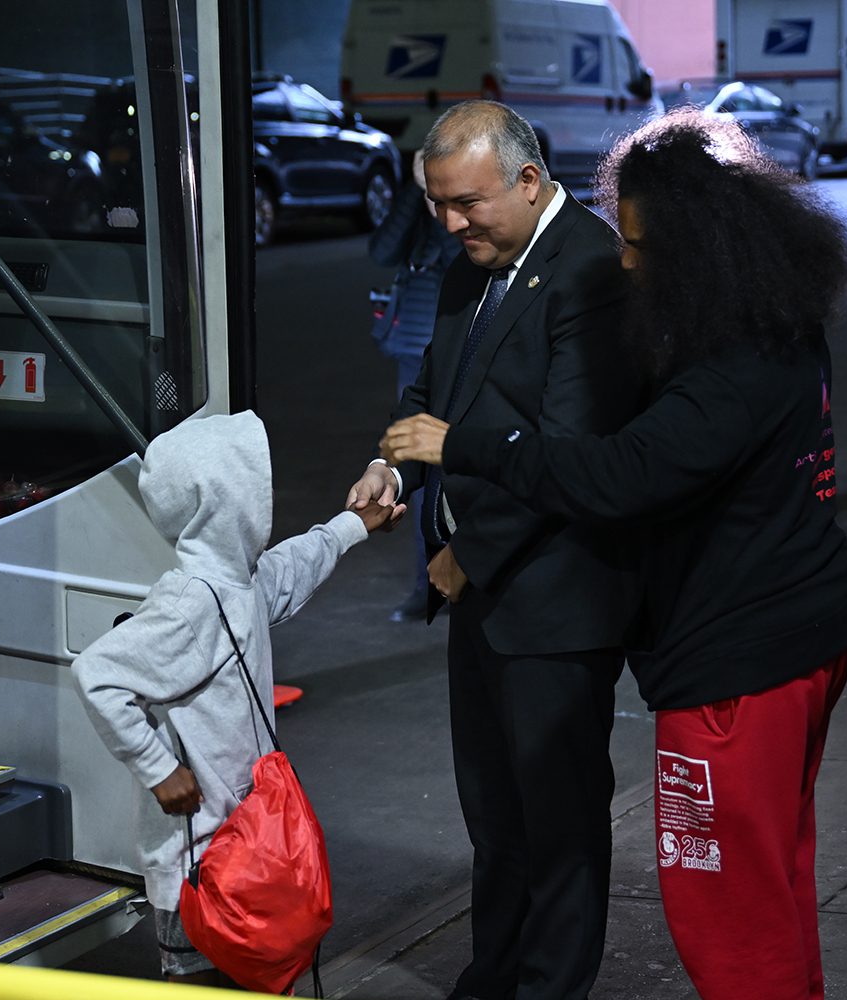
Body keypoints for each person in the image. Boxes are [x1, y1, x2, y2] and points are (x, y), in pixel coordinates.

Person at [380, 111, 847, 1000]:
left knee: (724, 907)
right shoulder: (766, 325)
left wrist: (471, 451)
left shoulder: (733, 363)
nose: (626, 261)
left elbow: (617, 470)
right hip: (785, 641)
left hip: (738, 664)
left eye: (640, 245)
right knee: (769, 888)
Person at [344, 100, 641, 1000]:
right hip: (478, 596)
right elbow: (435, 388)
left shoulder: (593, 271)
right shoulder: (474, 261)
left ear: (527, 178)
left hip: (554, 598)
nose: (448, 223)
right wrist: (388, 466)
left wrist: (468, 558)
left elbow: (575, 449)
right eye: (437, 203)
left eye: (466, 203)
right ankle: (494, 976)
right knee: (493, 813)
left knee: (558, 822)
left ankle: (549, 985)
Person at [73, 412, 402, 987]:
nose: (265, 497)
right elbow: (98, 672)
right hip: (199, 867)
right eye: (256, 483)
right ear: (227, 498)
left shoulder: (241, 584)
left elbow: (298, 563)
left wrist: (352, 526)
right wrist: (158, 769)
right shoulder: (190, 603)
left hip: (250, 844)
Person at [369, 154, 463, 621]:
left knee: (462, 464)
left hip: (460, 349)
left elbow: (460, 267)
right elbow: (382, 250)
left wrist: (440, 209)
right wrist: (413, 191)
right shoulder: (420, 200)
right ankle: (424, 583)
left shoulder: (461, 214)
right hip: (413, 351)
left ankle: (461, 571)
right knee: (415, 472)